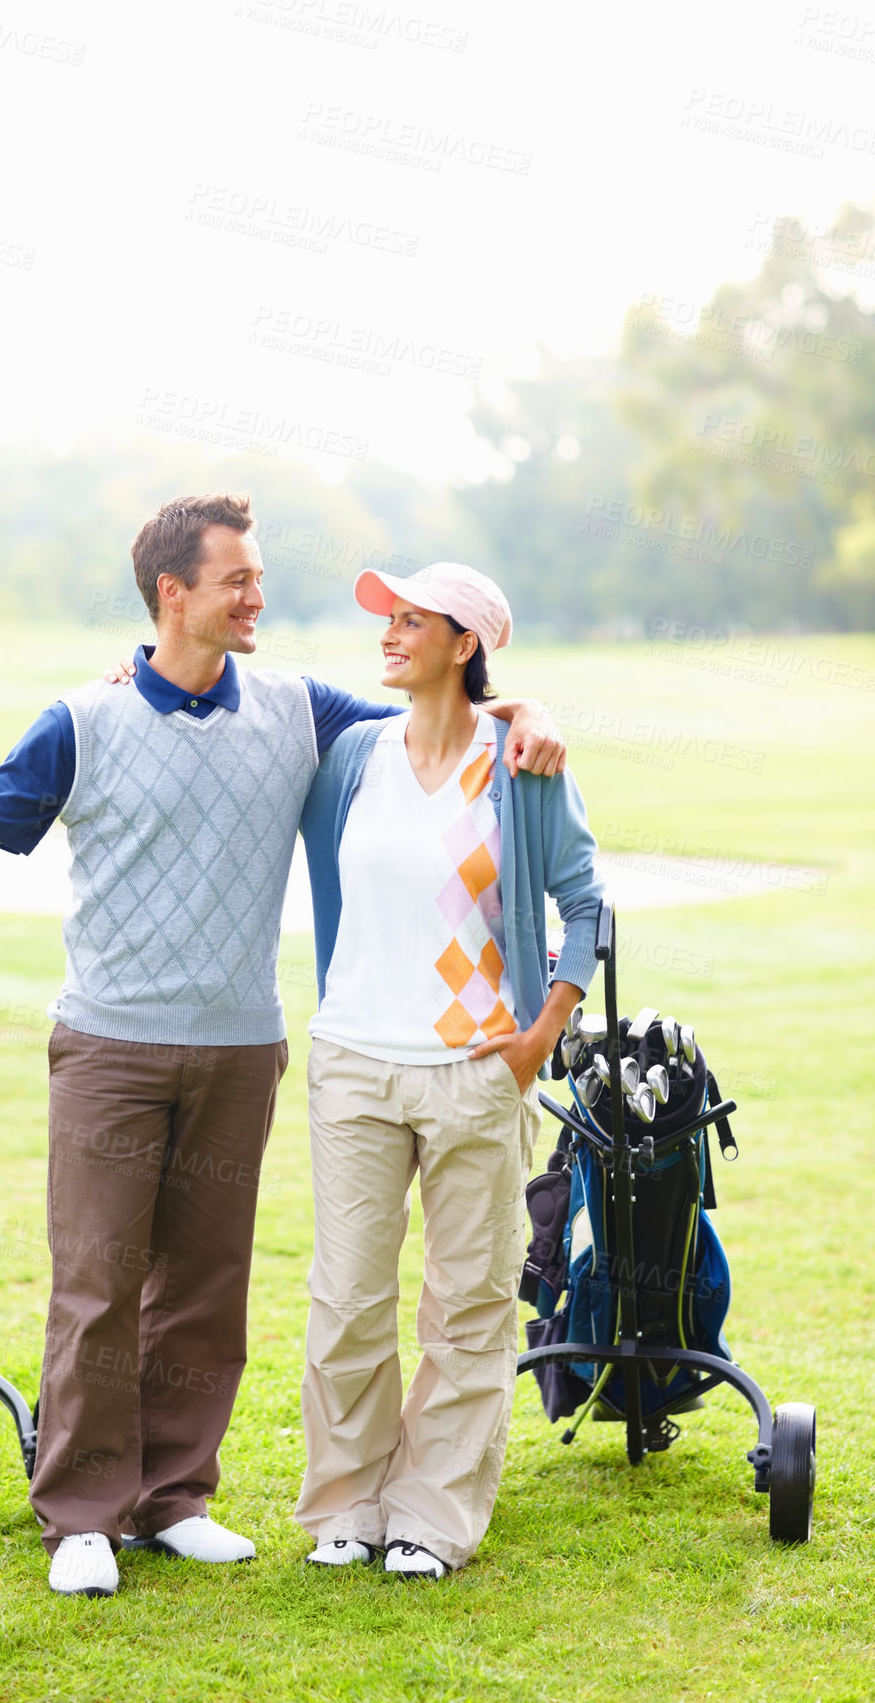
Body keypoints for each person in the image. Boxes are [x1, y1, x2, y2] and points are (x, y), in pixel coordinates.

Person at [0, 494, 566, 1598]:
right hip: (111, 1044)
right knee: (97, 1283)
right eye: (238, 581)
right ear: (175, 593)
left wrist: (526, 706)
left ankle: (175, 1496)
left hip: (239, 1050)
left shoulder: (298, 710)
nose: (259, 595)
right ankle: (83, 1511)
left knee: (206, 1285)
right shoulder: (84, 718)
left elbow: (443, 709)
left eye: (258, 578)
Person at [295, 562, 602, 1578]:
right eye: (385, 618)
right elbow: (221, 695)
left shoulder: (521, 765)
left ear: (463, 643)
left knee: (467, 1303)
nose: (386, 633)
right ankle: (346, 1503)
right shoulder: (350, 752)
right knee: (345, 1297)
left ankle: (430, 1515)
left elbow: (585, 908)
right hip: (352, 1064)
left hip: (476, 1073)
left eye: (409, 621)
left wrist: (539, 1034)